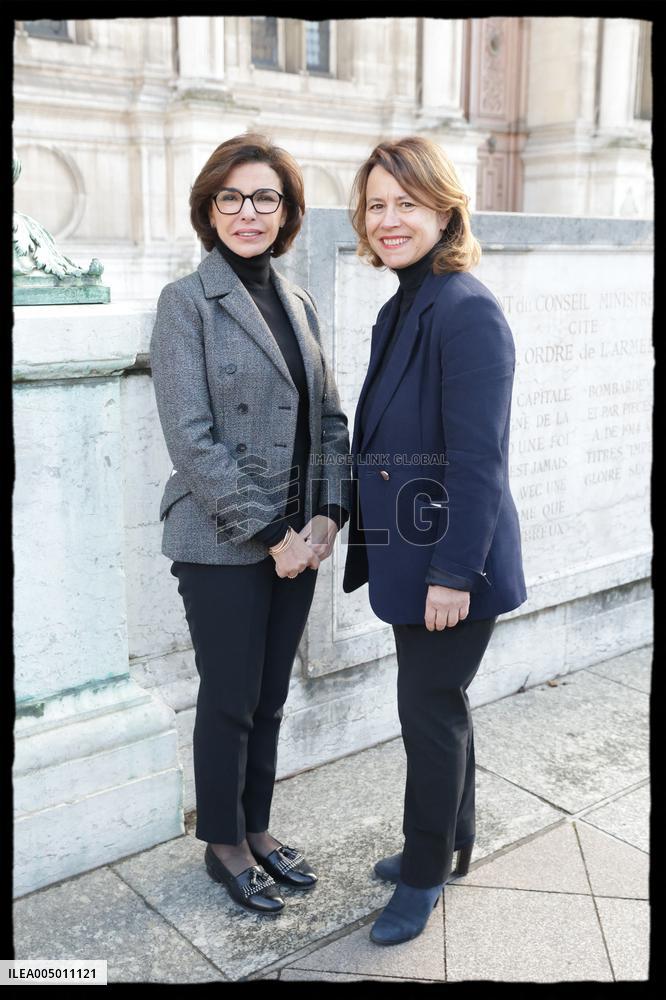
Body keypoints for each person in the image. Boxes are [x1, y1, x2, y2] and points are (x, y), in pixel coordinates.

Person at [150, 133, 351, 916]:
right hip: (223, 539)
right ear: (208, 208)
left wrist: (329, 514)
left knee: (270, 696)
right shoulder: (185, 302)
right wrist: (277, 534)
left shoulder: (297, 300)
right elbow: (190, 439)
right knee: (230, 696)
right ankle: (224, 844)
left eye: (265, 197)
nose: (247, 212)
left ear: (287, 212)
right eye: (230, 197)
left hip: (302, 538)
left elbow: (328, 419)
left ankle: (258, 827)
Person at [342, 136, 527, 945]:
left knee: (427, 712)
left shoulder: (465, 307)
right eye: (377, 205)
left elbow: (479, 459)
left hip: (454, 564)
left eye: (405, 204)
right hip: (412, 553)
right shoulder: (402, 306)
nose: (388, 220)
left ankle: (421, 877)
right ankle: (454, 842)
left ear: (445, 210)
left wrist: (452, 574)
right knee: (441, 706)